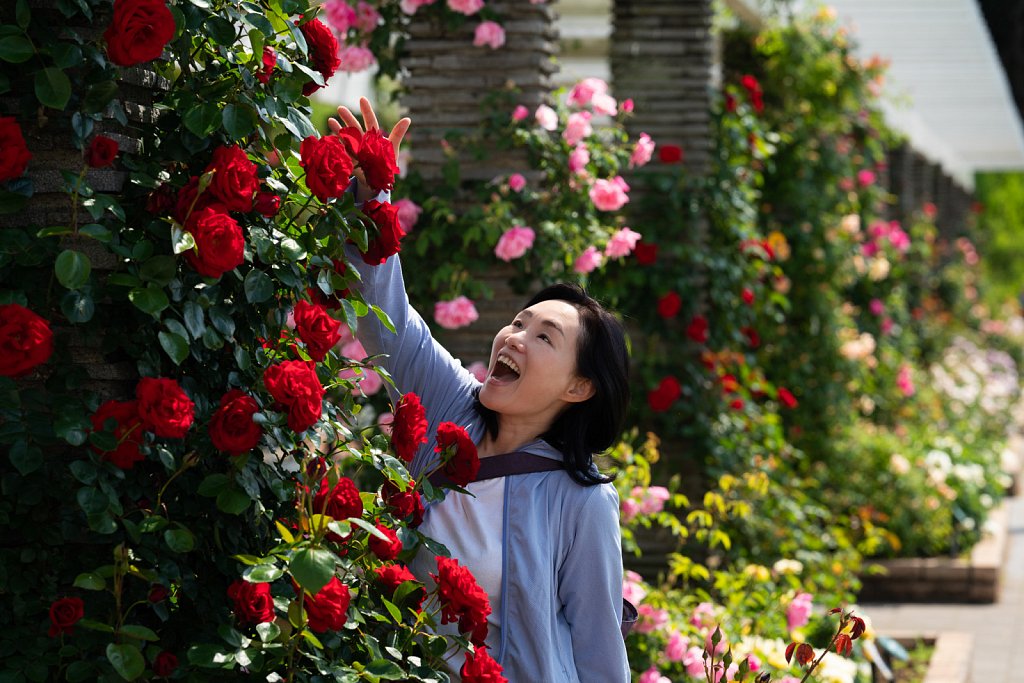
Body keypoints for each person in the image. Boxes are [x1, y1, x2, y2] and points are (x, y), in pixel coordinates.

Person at [330, 98, 631, 682]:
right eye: (519, 322)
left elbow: (599, 651)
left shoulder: (583, 502)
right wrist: (373, 199)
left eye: (545, 337)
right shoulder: (450, 405)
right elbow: (384, 313)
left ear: (578, 387)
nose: (515, 337)